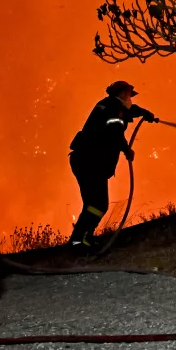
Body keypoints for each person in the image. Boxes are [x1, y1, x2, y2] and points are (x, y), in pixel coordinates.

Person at [68, 81, 158, 249]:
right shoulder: (112, 109)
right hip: (90, 163)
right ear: (122, 93)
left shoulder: (109, 105)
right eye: (129, 94)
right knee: (98, 204)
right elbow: (115, 133)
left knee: (93, 204)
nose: (130, 98)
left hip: (86, 161)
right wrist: (127, 150)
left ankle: (81, 240)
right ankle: (79, 241)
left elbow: (130, 110)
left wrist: (145, 113)